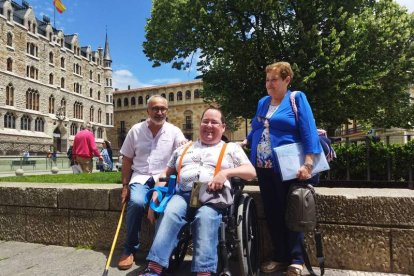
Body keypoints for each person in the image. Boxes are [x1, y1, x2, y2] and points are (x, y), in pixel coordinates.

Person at [139, 107, 256, 276]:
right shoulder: (184, 148)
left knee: (205, 217)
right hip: (184, 194)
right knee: (170, 212)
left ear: (223, 127)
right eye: (205, 121)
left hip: (213, 196)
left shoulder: (231, 149)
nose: (209, 125)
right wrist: (156, 194)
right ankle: (154, 268)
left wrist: (225, 173)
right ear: (199, 124)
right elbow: (166, 173)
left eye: (214, 122)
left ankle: (204, 272)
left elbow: (251, 172)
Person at [240, 62, 322, 276]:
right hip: (263, 166)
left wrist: (308, 163)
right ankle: (280, 256)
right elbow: (258, 126)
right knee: (273, 213)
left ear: (287, 80)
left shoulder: (296, 98)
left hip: (289, 167)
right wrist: (245, 141)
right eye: (267, 80)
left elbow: (308, 130)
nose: (269, 84)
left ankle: (296, 260)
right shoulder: (263, 102)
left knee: (293, 211)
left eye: (274, 79)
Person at [118, 95, 187, 270]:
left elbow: (183, 153)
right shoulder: (135, 130)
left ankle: (158, 255)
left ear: (167, 111)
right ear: (148, 111)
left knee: (162, 208)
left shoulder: (174, 131)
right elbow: (126, 159)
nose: (159, 112)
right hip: (140, 176)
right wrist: (125, 186)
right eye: (155, 108)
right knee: (136, 202)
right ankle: (129, 249)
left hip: (163, 180)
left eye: (163, 109)